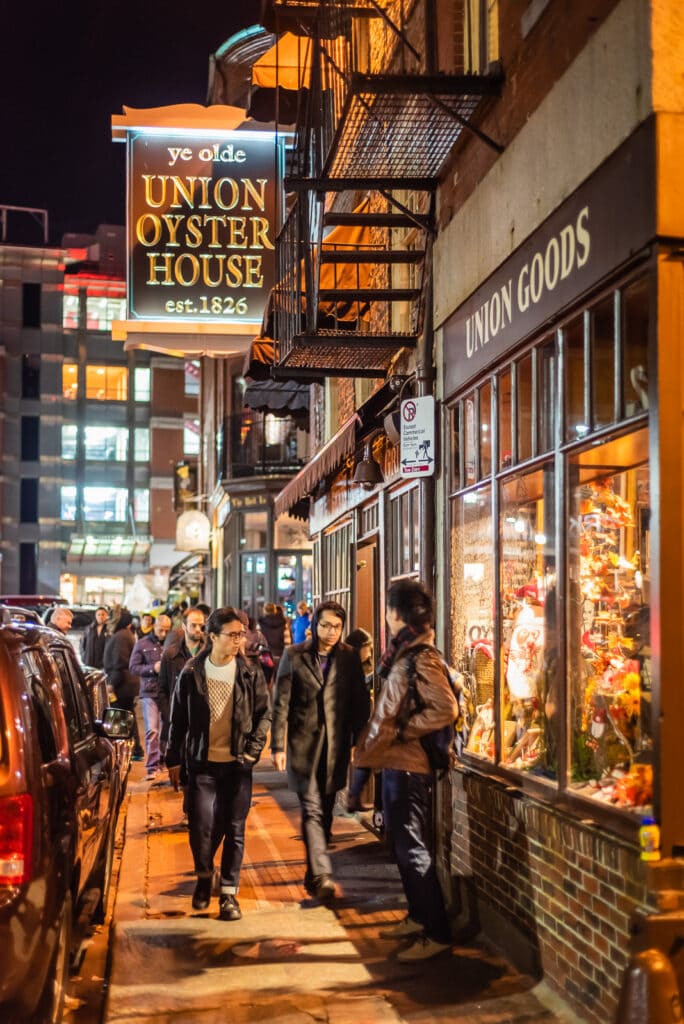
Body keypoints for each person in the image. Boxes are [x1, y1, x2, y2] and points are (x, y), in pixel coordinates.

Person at [354, 579, 458, 961]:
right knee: (402, 844)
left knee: (413, 847)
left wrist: (402, 730)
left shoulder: (422, 657)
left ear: (397, 615)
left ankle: (437, 931)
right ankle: (417, 916)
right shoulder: (403, 653)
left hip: (412, 766)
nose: (385, 616)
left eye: (388, 609)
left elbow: (446, 709)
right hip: (396, 763)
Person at [166, 607, 271, 921]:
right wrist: (173, 760)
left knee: (235, 828)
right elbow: (177, 720)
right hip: (202, 765)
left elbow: (263, 715)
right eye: (232, 634)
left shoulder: (250, 672)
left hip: (238, 764)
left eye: (242, 634)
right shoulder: (191, 672)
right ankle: (202, 876)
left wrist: (253, 751)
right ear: (212, 637)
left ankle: (228, 894)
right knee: (202, 828)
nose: (239, 640)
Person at [270, 601, 369, 904]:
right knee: (312, 809)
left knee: (325, 811)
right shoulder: (294, 656)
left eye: (337, 627)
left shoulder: (349, 658)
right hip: (302, 745)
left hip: (335, 748)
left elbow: (359, 702)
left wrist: (356, 741)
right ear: (314, 625)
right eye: (325, 625)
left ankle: (314, 872)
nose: (330, 632)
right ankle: (324, 874)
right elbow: (281, 703)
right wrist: (278, 745)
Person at [129, 614, 172, 781]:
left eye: (166, 631)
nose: (163, 634)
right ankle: (152, 766)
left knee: (166, 728)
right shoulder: (142, 644)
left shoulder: (171, 643)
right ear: (154, 627)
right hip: (149, 692)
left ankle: (162, 759)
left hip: (167, 692)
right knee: (152, 729)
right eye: (161, 630)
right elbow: (133, 667)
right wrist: (152, 668)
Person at [103, 610, 143, 759]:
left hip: (123, 685)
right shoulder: (125, 635)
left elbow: (119, 662)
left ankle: (131, 750)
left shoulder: (122, 636)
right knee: (126, 717)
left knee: (122, 717)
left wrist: (112, 684)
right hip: (126, 684)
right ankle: (134, 750)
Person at [344, 627, 375, 813]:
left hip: (361, 720)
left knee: (365, 756)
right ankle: (353, 796)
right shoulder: (347, 666)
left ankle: (354, 796)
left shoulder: (362, 665)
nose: (369, 652)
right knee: (364, 756)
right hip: (352, 721)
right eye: (367, 648)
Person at [258, 602, 288, 673]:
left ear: (264, 610)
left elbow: (259, 640)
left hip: (266, 654)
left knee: (267, 677)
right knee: (279, 676)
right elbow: (287, 640)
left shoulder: (261, 624)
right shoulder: (283, 622)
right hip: (279, 654)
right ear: (275, 610)